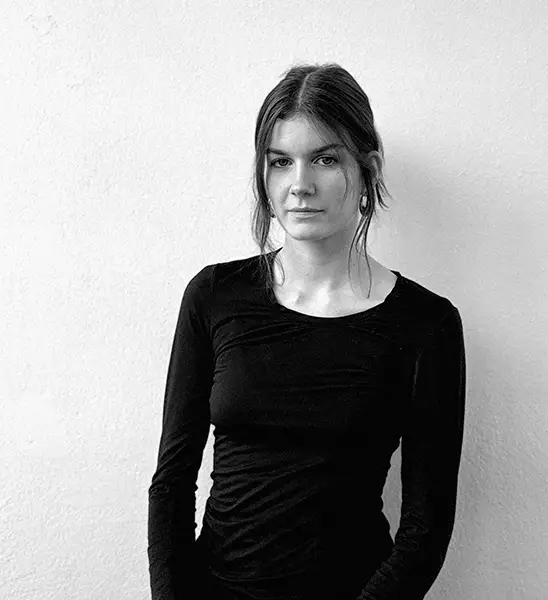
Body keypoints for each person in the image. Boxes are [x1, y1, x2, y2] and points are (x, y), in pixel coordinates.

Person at [148, 63, 466, 600]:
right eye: (280, 162)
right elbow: (171, 483)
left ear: (367, 169)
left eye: (325, 159)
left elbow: (426, 528)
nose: (300, 185)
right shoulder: (214, 296)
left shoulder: (426, 325)